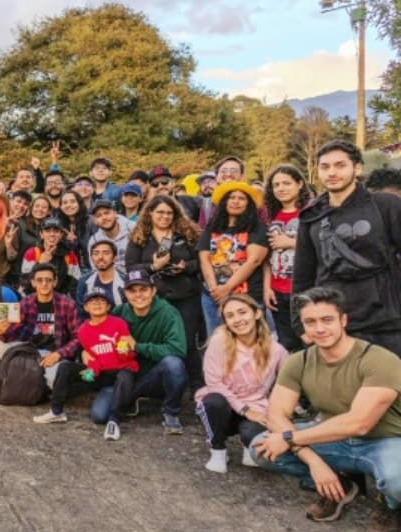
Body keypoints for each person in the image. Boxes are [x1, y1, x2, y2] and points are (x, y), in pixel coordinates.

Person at [251, 287, 401, 532]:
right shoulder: (298, 361)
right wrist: (314, 461)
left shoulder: (379, 360)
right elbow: (277, 414)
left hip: (386, 439)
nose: (319, 329)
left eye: (327, 320)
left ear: (343, 320)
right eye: (311, 322)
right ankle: (340, 487)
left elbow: (359, 423)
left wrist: (290, 439)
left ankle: (391, 505)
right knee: (261, 448)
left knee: (396, 480)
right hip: (335, 439)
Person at [293, 140, 401, 356]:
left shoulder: (385, 205)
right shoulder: (311, 216)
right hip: (334, 322)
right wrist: (300, 324)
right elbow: (303, 274)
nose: (332, 172)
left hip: (387, 320)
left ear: (357, 168)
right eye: (325, 167)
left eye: (340, 165)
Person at [195, 294, 286, 473]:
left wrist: (280, 414)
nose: (237, 320)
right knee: (213, 400)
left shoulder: (277, 350)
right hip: (225, 406)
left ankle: (248, 446)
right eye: (230, 316)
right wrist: (245, 410)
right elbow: (213, 382)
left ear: (257, 313)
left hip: (256, 405)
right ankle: (218, 449)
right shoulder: (218, 342)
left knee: (254, 440)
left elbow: (286, 384)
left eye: (242, 312)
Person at [33, 287, 137, 441]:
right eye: (92, 301)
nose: (97, 304)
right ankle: (56, 411)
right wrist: (90, 372)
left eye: (102, 300)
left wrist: (124, 349)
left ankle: (114, 421)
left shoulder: (118, 323)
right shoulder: (83, 330)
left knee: (124, 376)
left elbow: (127, 356)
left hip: (121, 371)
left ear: (109, 306)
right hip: (100, 375)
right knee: (66, 367)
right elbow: (92, 359)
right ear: (86, 307)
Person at [126, 195, 205, 389]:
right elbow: (131, 268)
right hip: (156, 298)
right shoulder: (140, 237)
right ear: (150, 213)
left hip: (186, 296)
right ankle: (161, 384)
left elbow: (203, 262)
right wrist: (153, 266)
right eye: (160, 212)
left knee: (186, 340)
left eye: (169, 213)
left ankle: (197, 385)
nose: (165, 216)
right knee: (159, 341)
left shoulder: (187, 234)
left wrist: (185, 266)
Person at [109, 267, 188, 434]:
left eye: (143, 289)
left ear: (153, 291)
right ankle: (130, 399)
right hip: (126, 375)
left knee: (174, 363)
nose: (138, 295)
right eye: (132, 290)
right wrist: (85, 351)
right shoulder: (118, 312)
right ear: (126, 293)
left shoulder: (168, 312)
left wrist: (137, 346)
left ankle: (171, 412)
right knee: (100, 415)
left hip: (155, 375)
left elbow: (178, 349)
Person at [198, 181, 270, 337]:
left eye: (241, 198)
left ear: (249, 203)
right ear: (224, 201)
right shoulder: (212, 226)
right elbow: (204, 258)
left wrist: (227, 288)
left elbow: (254, 262)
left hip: (246, 296)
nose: (235, 201)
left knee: (250, 343)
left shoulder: (257, 227)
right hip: (212, 297)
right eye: (231, 197)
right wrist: (214, 289)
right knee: (217, 341)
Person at [0, 263, 82, 389]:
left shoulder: (67, 304)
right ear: (33, 283)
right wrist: (4, 331)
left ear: (55, 282)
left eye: (48, 280)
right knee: (1, 345)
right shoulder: (25, 303)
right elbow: (14, 334)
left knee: (55, 382)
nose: (44, 284)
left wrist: (59, 354)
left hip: (54, 351)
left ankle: (34, 377)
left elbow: (78, 337)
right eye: (39, 280)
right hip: (31, 350)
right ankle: (32, 373)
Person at [262, 164, 311, 352]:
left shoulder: (311, 212)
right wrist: (267, 287)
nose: (281, 189)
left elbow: (322, 245)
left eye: (286, 183)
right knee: (287, 344)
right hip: (278, 289)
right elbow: (267, 257)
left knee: (309, 341)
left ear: (299, 184)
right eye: (276, 185)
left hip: (305, 287)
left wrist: (290, 242)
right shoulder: (270, 217)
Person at [20, 216, 81, 295]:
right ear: (41, 234)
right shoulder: (32, 253)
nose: (52, 234)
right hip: (35, 298)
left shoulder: (69, 255)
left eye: (56, 231)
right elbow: (25, 285)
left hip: (60, 300)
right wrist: (40, 265)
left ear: (61, 234)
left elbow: (75, 283)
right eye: (48, 231)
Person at [75, 240, 125, 314]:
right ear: (91, 258)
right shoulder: (84, 281)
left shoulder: (125, 281)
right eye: (96, 253)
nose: (100, 257)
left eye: (106, 253)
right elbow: (81, 312)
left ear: (115, 258)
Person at [87, 200, 132, 274]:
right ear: (95, 221)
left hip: (135, 278)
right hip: (111, 279)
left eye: (107, 213)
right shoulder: (94, 241)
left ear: (115, 213)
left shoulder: (133, 228)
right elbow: (96, 269)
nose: (104, 217)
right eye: (99, 216)